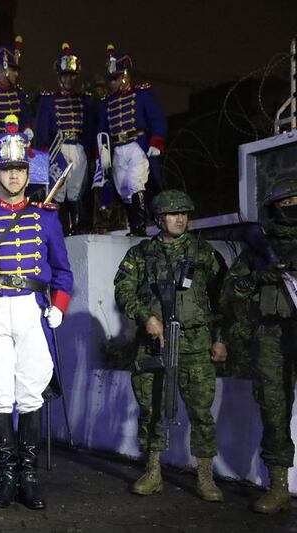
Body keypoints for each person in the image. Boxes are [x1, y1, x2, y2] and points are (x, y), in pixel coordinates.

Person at [0, 114, 73, 510]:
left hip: (32, 311)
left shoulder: (46, 217)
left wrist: (59, 305)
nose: (14, 176)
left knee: (31, 392)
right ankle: (5, 477)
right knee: (1, 394)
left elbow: (62, 271)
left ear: (27, 172)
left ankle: (29, 477)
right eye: (7, 169)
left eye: (20, 168)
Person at [113, 190, 226, 501]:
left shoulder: (205, 254)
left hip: (195, 343)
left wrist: (220, 339)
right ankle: (152, 471)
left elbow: (223, 300)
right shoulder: (141, 254)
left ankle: (205, 475)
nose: (180, 219)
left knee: (201, 412)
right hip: (152, 344)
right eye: (173, 214)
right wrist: (146, 317)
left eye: (184, 214)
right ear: (158, 219)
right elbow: (123, 291)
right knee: (150, 409)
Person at [221, 178, 297, 514]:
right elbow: (230, 291)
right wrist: (257, 277)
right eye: (287, 200)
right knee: (273, 409)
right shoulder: (259, 245)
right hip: (271, 335)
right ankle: (278, 486)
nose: (292, 204)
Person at [96, 44, 167, 237]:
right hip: (118, 148)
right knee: (122, 187)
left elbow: (156, 118)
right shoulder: (106, 103)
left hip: (138, 145)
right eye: (110, 79)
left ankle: (140, 226)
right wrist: (102, 154)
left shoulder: (142, 94)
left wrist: (156, 141)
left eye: (115, 78)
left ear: (125, 75)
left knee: (135, 182)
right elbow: (102, 130)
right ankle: (132, 223)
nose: (111, 83)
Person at [34, 42, 94, 235]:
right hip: (58, 149)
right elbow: (42, 126)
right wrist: (44, 151)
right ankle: (59, 229)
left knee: (76, 190)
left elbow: (90, 127)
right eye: (65, 75)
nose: (69, 79)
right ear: (59, 77)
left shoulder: (85, 100)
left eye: (72, 75)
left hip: (77, 147)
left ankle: (77, 227)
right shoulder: (48, 99)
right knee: (58, 190)